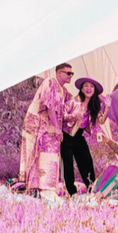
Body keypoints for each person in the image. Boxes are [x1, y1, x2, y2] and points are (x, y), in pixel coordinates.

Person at [19, 64, 74, 200]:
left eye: (71, 73)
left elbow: (71, 105)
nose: (70, 76)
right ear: (59, 73)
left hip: (46, 126)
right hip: (38, 125)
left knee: (47, 155)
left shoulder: (63, 90)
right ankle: (40, 186)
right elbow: (50, 107)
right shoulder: (51, 82)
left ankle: (43, 186)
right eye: (68, 73)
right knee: (39, 154)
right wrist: (56, 128)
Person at [61, 77, 107, 196]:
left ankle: (92, 189)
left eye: (91, 87)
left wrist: (108, 107)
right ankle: (72, 192)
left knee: (87, 161)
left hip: (79, 135)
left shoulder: (93, 107)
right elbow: (62, 115)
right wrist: (73, 117)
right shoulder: (73, 101)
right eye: (86, 86)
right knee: (68, 163)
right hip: (67, 134)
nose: (88, 88)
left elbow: (100, 121)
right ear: (81, 88)